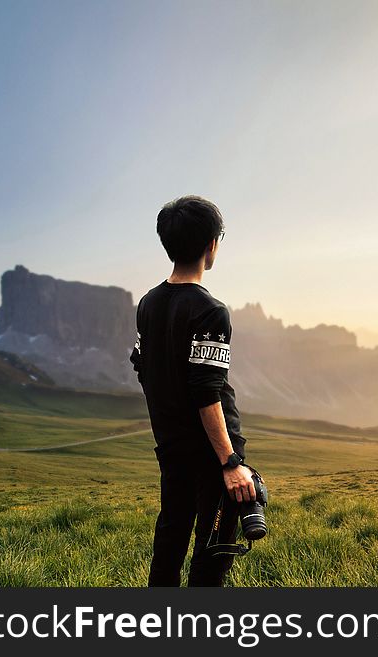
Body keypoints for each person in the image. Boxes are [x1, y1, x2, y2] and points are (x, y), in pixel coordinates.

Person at [129, 195, 256, 586]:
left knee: (169, 541)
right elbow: (207, 392)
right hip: (211, 453)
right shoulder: (210, 311)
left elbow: (142, 367)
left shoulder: (148, 304)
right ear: (211, 245)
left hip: (171, 448)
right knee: (212, 554)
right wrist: (231, 462)